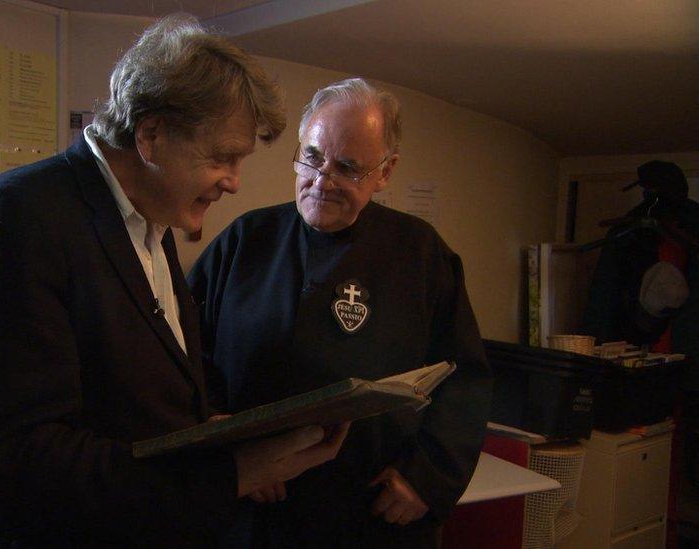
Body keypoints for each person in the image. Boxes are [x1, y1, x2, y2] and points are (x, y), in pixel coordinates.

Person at [0, 15, 349, 547]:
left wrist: (215, 432)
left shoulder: (152, 222)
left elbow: (131, 404)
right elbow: (20, 462)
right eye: (223, 157)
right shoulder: (20, 215)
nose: (234, 181)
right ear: (152, 134)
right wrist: (235, 472)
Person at [188, 78, 492, 547]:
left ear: (385, 172)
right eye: (311, 157)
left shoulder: (422, 254)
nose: (321, 181)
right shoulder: (245, 241)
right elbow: (183, 356)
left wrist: (427, 477)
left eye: (347, 167)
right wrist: (234, 451)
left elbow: (464, 379)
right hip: (252, 511)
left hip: (366, 515)